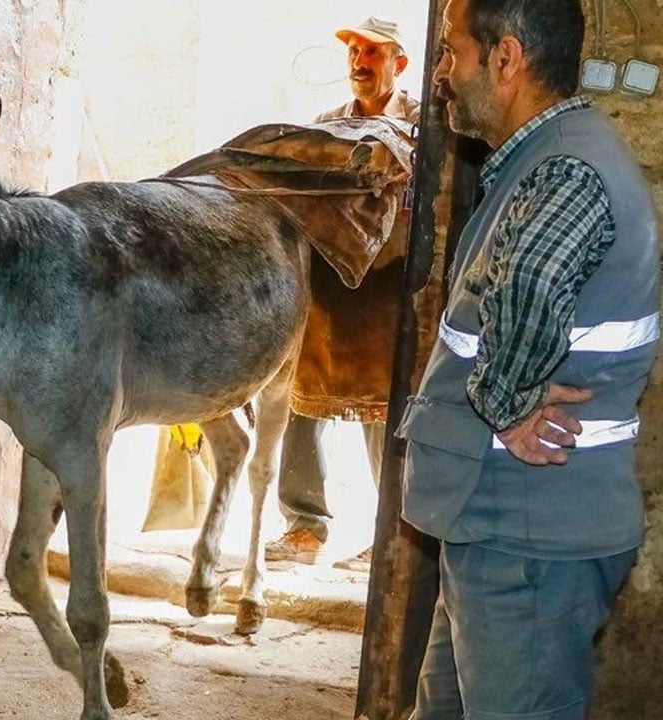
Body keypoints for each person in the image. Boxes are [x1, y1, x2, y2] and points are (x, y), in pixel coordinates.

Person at [400, 0, 657, 716]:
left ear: (506, 59)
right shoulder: (543, 160)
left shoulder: (566, 171)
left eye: (453, 53)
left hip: (532, 539)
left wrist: (507, 402)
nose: (443, 73)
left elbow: (536, 280)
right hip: (496, 526)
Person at [265, 16, 420, 571]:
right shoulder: (327, 126)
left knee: (387, 408)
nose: (359, 61)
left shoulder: (424, 127)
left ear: (398, 64)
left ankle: (391, 537)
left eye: (372, 52)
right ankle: (304, 527)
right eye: (353, 51)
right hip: (330, 286)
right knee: (304, 400)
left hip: (390, 288)